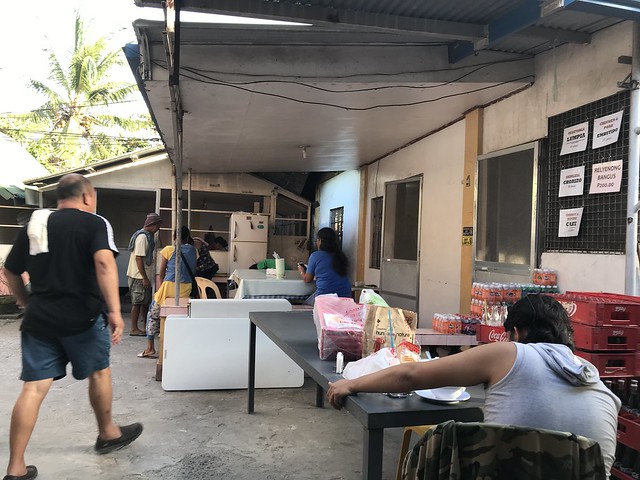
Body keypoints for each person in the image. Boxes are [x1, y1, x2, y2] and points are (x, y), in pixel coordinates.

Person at [327, 294, 621, 476]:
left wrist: (351, 385)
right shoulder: (600, 386)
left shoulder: (511, 352)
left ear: (516, 332)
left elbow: (410, 375)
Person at [2, 174, 143, 480]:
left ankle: (15, 468)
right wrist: (116, 312)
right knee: (99, 372)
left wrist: (27, 303)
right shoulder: (95, 223)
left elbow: (11, 270)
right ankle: (107, 433)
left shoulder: (35, 224)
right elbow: (104, 264)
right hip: (83, 318)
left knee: (34, 388)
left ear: (58, 197)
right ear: (87, 196)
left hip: (40, 320)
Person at [139, 226, 197, 359]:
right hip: (186, 287)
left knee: (152, 314)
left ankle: (150, 347)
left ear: (174, 237)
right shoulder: (193, 251)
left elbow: (161, 273)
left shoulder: (168, 250)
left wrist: (159, 290)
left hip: (169, 287)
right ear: (187, 237)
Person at [125, 213, 162, 336]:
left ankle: (146, 326)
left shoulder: (148, 237)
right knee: (137, 303)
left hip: (141, 276)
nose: (158, 229)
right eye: (157, 225)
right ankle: (134, 328)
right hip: (139, 276)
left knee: (144, 302)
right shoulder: (143, 237)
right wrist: (145, 278)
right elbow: (139, 258)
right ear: (151, 225)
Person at [298, 227, 351, 304]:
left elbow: (307, 279)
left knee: (304, 306)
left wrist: (302, 271)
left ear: (320, 241)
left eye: (317, 240)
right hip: (345, 294)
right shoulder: (341, 256)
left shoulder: (315, 256)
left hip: (325, 295)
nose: (316, 242)